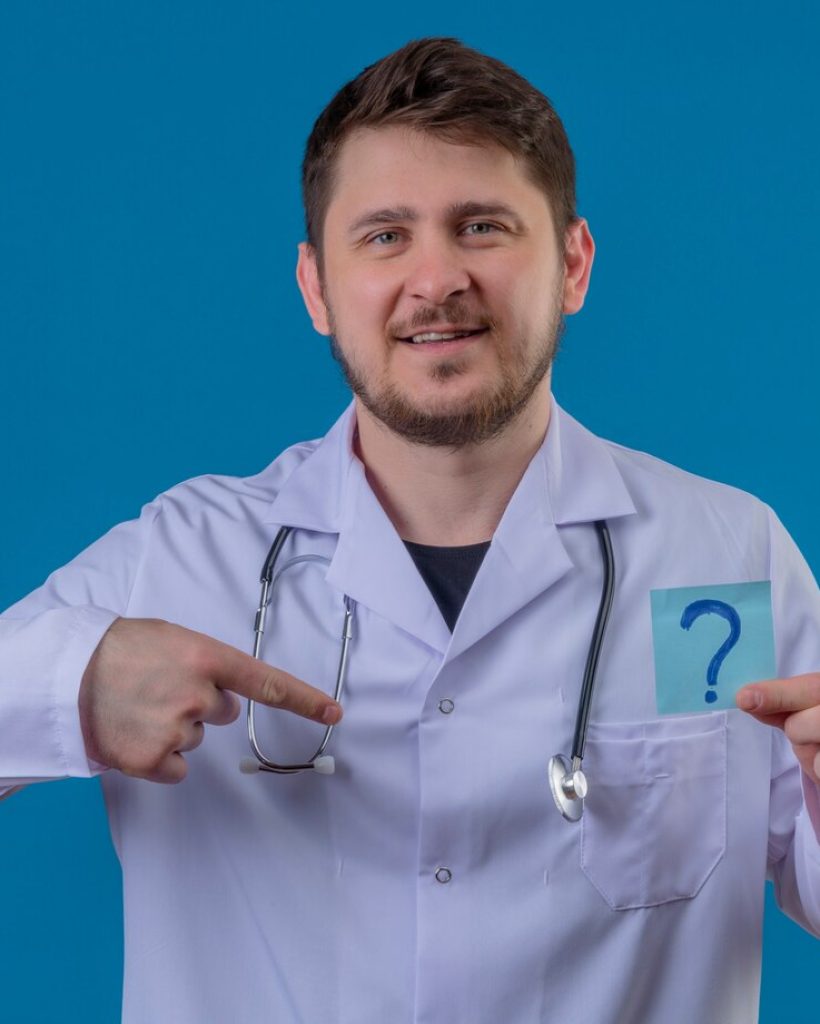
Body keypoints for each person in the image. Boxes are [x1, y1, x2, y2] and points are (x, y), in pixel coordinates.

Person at [1, 35, 819, 1024]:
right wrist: (68, 686)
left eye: (481, 226)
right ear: (316, 288)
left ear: (571, 263)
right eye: (385, 235)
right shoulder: (180, 558)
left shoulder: (724, 556)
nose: (436, 279)